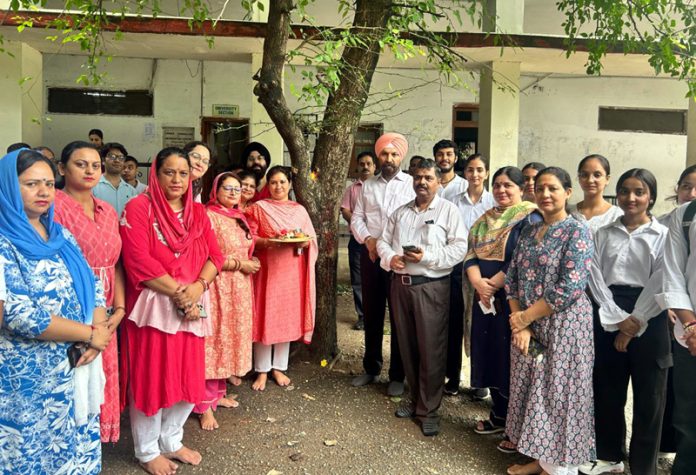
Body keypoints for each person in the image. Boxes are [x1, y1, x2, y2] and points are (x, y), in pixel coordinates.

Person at [0, 148, 112, 473]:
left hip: (74, 364)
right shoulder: (4, 242)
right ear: (7, 186)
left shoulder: (59, 234)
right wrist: (90, 335)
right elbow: (17, 313)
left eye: (49, 184)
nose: (44, 192)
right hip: (28, 379)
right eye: (32, 184)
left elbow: (93, 283)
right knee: (32, 454)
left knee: (73, 446)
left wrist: (99, 329)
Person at [119, 147, 224, 475]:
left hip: (193, 306)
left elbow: (215, 257)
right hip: (153, 307)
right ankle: (147, 449)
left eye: (184, 173)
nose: (177, 179)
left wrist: (196, 289)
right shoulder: (139, 208)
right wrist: (180, 293)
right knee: (151, 378)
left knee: (186, 375)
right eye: (169, 172)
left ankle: (171, 439)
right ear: (156, 173)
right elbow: (138, 259)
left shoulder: (197, 212)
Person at [505, 166, 595, 475]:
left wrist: (523, 320)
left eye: (553, 188)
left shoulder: (577, 230)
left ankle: (557, 468)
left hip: (564, 327)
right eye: (540, 188)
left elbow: (569, 288)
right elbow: (513, 278)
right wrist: (523, 324)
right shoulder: (530, 230)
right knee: (533, 392)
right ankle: (540, 459)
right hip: (530, 326)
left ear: (568, 193)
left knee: (559, 396)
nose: (544, 194)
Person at [581, 169, 669, 475]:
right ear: (616, 195)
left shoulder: (663, 236)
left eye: (639, 192)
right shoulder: (603, 234)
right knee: (607, 389)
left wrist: (636, 322)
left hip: (651, 312)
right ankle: (609, 456)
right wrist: (618, 320)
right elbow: (593, 275)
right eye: (624, 191)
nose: (631, 198)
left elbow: (661, 280)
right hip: (609, 310)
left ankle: (644, 467)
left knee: (650, 396)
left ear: (651, 197)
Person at [377, 159, 467, 436]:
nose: (422, 182)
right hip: (400, 286)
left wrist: (427, 257)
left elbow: (460, 248)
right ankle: (416, 399)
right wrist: (390, 257)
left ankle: (429, 409)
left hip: (431, 286)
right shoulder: (400, 212)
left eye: (428, 177)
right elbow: (382, 240)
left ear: (438, 182)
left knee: (431, 348)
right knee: (408, 346)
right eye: (418, 177)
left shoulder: (448, 211)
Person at [53, 140, 126, 443]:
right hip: (72, 307)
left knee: (100, 377)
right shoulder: (53, 207)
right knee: (75, 375)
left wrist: (120, 309)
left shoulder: (107, 210)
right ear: (62, 168)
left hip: (108, 305)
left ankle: (91, 446)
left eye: (95, 165)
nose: (90, 170)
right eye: (80, 164)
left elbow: (115, 263)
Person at [464, 166, 541, 451]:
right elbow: (470, 252)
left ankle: (517, 426)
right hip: (484, 299)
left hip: (513, 299)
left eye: (508, 185)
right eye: (497, 185)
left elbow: (522, 258)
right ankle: (498, 414)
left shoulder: (529, 218)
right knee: (490, 353)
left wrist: (493, 284)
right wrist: (477, 283)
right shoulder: (486, 219)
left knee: (515, 358)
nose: (501, 190)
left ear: (521, 188)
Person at [350, 132, 414, 396]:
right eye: (385, 154)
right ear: (378, 156)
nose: (389, 158)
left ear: (402, 156)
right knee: (373, 313)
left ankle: (397, 374)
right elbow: (357, 218)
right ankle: (371, 368)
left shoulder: (411, 184)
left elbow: (415, 220)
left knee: (399, 317)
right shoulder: (369, 185)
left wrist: (392, 248)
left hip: (399, 260)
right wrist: (368, 241)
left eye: (394, 154)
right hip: (372, 256)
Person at [194, 172, 259, 430]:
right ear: (215, 190)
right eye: (227, 188)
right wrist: (240, 264)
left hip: (239, 287)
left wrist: (250, 263)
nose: (233, 192)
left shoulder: (238, 216)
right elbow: (206, 254)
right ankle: (203, 405)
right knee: (214, 342)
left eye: (237, 188)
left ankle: (217, 394)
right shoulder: (208, 215)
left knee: (229, 340)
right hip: (218, 285)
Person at [245, 166, 317, 391]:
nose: (278, 186)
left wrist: (304, 243)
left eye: (282, 182)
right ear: (267, 185)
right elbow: (249, 237)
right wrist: (268, 242)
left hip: (292, 270)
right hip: (267, 269)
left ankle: (279, 367)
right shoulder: (259, 208)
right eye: (273, 182)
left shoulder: (299, 210)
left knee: (286, 318)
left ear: (290, 184)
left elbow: (310, 239)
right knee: (265, 317)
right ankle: (262, 370)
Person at [447, 153, 497, 398]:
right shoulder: (453, 200)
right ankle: (453, 377)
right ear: (464, 173)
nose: (475, 174)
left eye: (479, 170)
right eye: (470, 170)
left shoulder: (494, 203)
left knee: (480, 325)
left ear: (486, 173)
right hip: (456, 268)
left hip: (485, 271)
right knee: (455, 323)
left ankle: (480, 381)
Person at [656, 164, 696, 463]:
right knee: (689, 420)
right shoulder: (685, 217)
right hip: (691, 338)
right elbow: (672, 274)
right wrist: (692, 326)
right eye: (687, 185)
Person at [341, 151, 377, 330]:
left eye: (368, 163)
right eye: (362, 163)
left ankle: (379, 316)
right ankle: (363, 316)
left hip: (379, 241)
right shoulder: (352, 189)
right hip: (357, 240)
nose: (365, 166)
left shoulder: (380, 187)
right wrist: (359, 225)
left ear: (374, 167)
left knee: (380, 278)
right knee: (358, 280)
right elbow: (345, 210)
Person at [572, 154, 623, 234]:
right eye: (584, 175)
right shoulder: (569, 212)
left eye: (597, 175)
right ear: (579, 178)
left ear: (607, 179)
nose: (590, 180)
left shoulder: (617, 216)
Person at [93, 142, 136, 215]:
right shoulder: (93, 187)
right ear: (103, 160)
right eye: (112, 157)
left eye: (121, 158)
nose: (117, 160)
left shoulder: (131, 191)